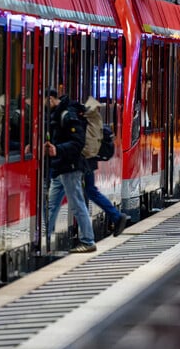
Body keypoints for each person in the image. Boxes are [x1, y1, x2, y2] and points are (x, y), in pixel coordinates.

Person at [44, 89, 96, 253]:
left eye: (44, 102)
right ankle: (44, 238)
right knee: (51, 205)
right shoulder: (57, 114)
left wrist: (57, 150)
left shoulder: (68, 115)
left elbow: (78, 143)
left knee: (76, 204)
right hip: (61, 168)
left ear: (51, 99)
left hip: (71, 168)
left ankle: (88, 241)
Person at [81, 96, 129, 237]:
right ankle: (115, 216)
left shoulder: (86, 119)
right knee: (89, 191)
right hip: (89, 162)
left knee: (79, 194)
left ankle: (87, 236)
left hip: (84, 162)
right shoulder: (94, 119)